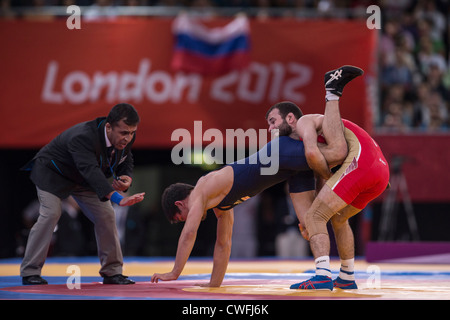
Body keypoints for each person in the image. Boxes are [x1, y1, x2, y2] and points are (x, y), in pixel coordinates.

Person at [150, 66, 361, 288]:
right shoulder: (220, 205)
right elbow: (223, 244)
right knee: (310, 223)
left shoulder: (202, 188)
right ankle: (325, 275)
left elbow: (189, 233)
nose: (184, 220)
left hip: (277, 156)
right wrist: (213, 285)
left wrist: (174, 272)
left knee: (337, 153)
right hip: (287, 171)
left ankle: (331, 91)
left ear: (179, 204)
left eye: (179, 217)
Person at [271, 66, 390, 290]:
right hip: (380, 171)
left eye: (272, 121)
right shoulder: (324, 129)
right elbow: (324, 173)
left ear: (290, 118)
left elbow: (314, 154)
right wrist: (324, 183)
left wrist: (323, 186)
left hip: (362, 163)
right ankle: (346, 276)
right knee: (338, 218)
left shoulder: (305, 122)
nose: (270, 128)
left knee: (315, 215)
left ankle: (323, 275)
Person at [20, 103, 145, 285]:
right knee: (51, 213)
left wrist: (126, 177)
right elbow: (91, 171)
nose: (128, 137)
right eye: (124, 132)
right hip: (53, 174)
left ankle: (112, 272)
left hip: (82, 179)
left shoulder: (126, 137)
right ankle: (30, 271)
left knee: (106, 214)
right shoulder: (83, 137)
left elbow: (126, 158)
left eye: (132, 132)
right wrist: (118, 198)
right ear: (108, 127)